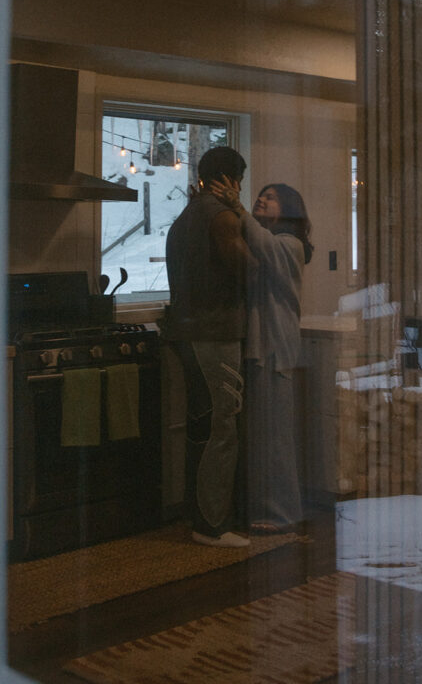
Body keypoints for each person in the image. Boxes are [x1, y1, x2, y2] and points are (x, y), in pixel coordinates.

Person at [164, 146, 257, 548]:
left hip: (186, 332)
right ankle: (211, 525)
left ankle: (199, 516)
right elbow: (252, 272)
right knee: (221, 428)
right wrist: (240, 215)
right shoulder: (220, 218)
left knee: (202, 427)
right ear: (231, 181)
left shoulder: (184, 217)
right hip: (215, 335)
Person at [210, 177, 313, 534]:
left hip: (274, 350)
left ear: (288, 210)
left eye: (271, 198)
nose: (262, 200)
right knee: (265, 436)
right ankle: (267, 508)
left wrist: (237, 209)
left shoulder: (290, 244)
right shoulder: (268, 241)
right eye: (260, 196)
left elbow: (265, 246)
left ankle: (285, 512)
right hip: (263, 348)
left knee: (276, 438)